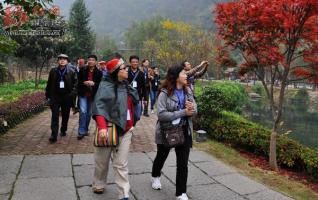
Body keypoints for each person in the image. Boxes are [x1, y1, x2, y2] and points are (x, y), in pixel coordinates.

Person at [91, 58, 139, 200]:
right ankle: (98, 183)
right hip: (108, 128)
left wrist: (133, 123)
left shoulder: (126, 85)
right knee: (102, 161)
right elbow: (99, 107)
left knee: (121, 164)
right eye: (124, 68)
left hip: (126, 130)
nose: (127, 70)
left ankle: (123, 193)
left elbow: (134, 104)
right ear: (116, 72)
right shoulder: (105, 86)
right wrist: (102, 128)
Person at [151, 65, 197, 200]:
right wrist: (183, 112)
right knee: (162, 156)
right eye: (184, 73)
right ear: (176, 76)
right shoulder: (164, 93)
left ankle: (181, 192)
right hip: (167, 131)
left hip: (184, 129)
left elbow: (195, 110)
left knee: (183, 163)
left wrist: (192, 108)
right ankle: (155, 176)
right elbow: (161, 115)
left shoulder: (188, 90)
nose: (186, 76)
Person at [45, 54, 77, 143]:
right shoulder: (53, 71)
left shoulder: (71, 71)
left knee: (65, 114)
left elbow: (75, 84)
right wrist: (48, 95)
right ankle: (53, 134)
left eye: (64, 59)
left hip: (67, 96)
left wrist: (72, 94)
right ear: (58, 61)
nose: (62, 60)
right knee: (55, 115)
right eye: (60, 59)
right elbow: (49, 83)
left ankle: (63, 129)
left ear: (67, 61)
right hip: (55, 96)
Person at [77, 55, 102, 140]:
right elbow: (78, 81)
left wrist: (94, 83)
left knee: (89, 114)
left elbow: (100, 84)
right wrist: (84, 82)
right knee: (83, 112)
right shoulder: (82, 70)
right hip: (83, 94)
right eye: (89, 60)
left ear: (95, 62)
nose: (91, 61)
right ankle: (81, 131)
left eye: (93, 60)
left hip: (92, 95)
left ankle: (85, 129)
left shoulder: (99, 72)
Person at [127, 55, 145, 120]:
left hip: (138, 97)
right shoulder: (126, 73)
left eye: (136, 62)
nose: (135, 63)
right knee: (128, 114)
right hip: (128, 96)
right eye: (133, 62)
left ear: (138, 63)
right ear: (130, 63)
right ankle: (130, 126)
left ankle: (132, 124)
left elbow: (144, 86)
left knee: (137, 115)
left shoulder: (141, 73)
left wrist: (145, 98)